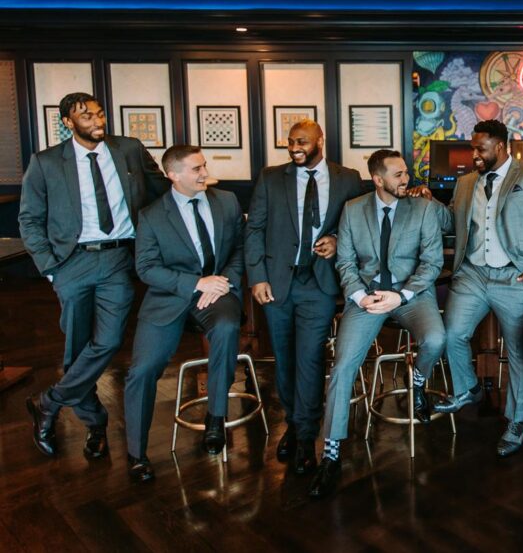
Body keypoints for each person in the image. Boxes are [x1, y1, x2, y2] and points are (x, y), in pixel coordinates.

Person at [20, 92, 167, 459]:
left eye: (99, 114)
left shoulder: (129, 149)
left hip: (119, 257)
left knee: (108, 340)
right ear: (68, 122)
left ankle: (49, 402)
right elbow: (29, 218)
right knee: (77, 346)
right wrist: (52, 269)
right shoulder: (47, 162)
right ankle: (94, 424)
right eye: (86, 116)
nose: (97, 121)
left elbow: (161, 189)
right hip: (72, 262)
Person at [415, 120, 523, 458]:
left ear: (500, 146)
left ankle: (515, 423)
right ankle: (468, 387)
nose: (474, 155)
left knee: (518, 351)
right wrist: (429, 202)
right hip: (473, 274)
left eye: (480, 149)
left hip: (514, 277)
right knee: (452, 333)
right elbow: (453, 222)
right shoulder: (466, 182)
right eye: (472, 148)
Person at [308, 150, 445, 498]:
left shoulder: (425, 210)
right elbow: (346, 263)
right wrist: (358, 297)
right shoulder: (354, 210)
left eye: (406, 173)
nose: (407, 180)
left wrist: (402, 296)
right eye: (398, 175)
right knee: (342, 367)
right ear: (378, 179)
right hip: (367, 299)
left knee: (435, 339)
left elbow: (431, 264)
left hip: (412, 296)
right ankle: (332, 453)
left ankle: (418, 380)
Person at [244, 120, 361, 475]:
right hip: (278, 282)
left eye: (303, 142)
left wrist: (339, 239)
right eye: (291, 142)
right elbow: (254, 230)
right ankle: (294, 426)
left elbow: (357, 224)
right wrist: (257, 277)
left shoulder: (348, 178)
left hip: (320, 284)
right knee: (284, 358)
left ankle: (306, 437)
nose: (295, 147)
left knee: (309, 359)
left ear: (320, 141)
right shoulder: (270, 177)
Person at [122, 145, 245, 483]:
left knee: (226, 327)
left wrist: (222, 283)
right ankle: (136, 453)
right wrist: (196, 283)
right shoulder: (151, 215)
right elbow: (146, 268)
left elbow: (239, 249)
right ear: (172, 175)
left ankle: (216, 418)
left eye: (204, 166)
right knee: (142, 369)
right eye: (196, 169)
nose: (205, 173)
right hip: (168, 298)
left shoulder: (227, 201)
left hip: (219, 293)